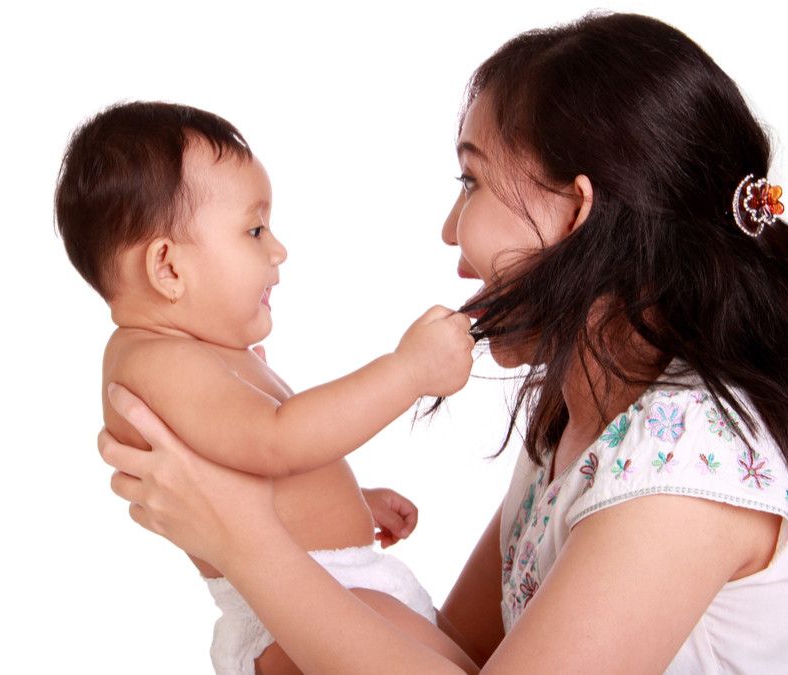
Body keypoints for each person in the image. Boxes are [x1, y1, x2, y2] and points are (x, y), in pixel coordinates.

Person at [98, 13, 788, 674]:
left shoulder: (688, 456)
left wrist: (246, 543)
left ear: (573, 215)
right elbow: (458, 653)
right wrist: (283, 534)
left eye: (470, 182)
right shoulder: (577, 417)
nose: (449, 231)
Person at [54, 101, 479, 674]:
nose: (277, 250)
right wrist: (408, 372)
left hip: (323, 577)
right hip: (290, 607)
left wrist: (347, 502)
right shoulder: (154, 362)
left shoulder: (196, 351)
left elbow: (261, 467)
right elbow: (278, 440)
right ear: (169, 269)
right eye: (255, 230)